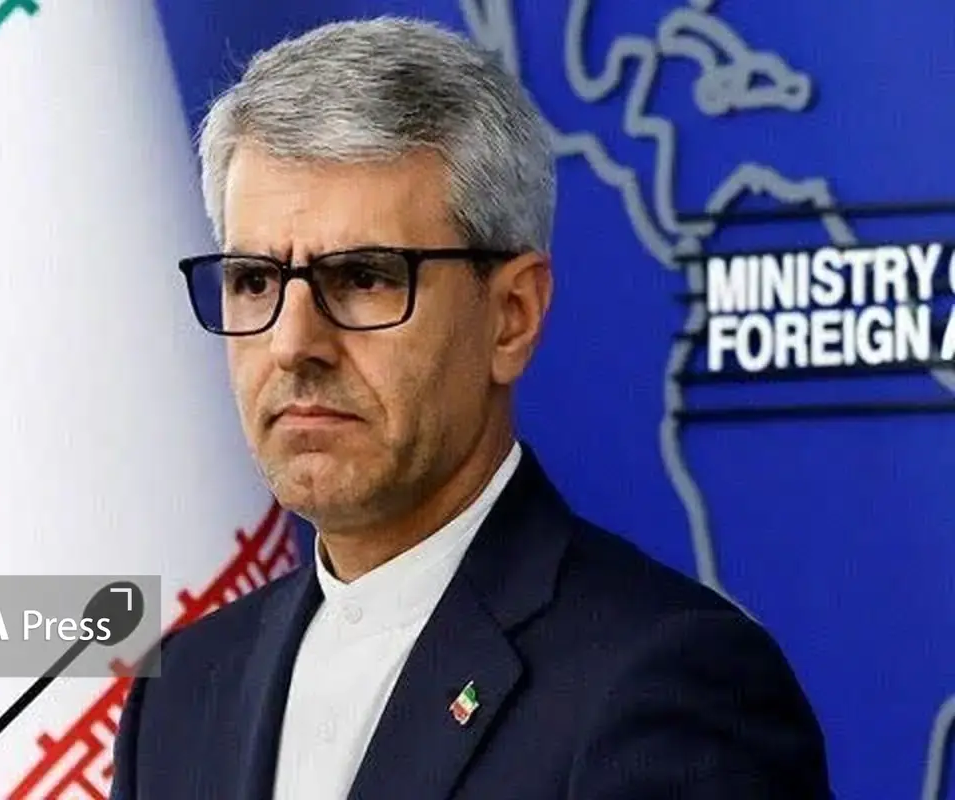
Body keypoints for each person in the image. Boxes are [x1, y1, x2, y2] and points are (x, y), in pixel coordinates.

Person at [110, 17, 831, 799]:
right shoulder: (183, 690)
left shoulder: (666, 683)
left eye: (363, 278)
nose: (292, 344)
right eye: (253, 281)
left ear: (512, 316)